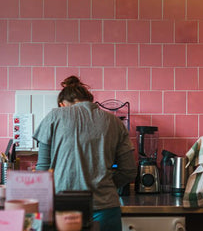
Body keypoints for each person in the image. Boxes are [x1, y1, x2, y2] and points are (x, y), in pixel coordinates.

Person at [33, 76, 136, 231]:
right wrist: (104, 184)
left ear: (62, 104)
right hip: (106, 208)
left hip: (64, 210)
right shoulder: (114, 122)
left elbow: (42, 170)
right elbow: (129, 170)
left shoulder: (54, 117)